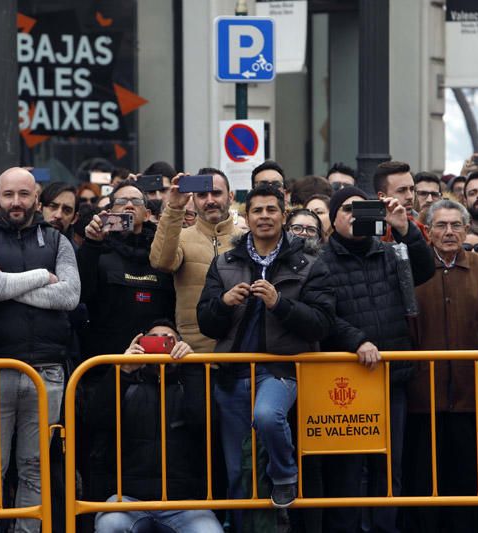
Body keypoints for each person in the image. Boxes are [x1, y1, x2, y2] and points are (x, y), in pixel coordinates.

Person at [197, 185, 336, 511]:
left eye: (271, 210)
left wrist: (279, 304)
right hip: (233, 373)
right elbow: (206, 323)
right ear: (246, 217)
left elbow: (322, 323)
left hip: (280, 369)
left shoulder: (310, 264)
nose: (264, 217)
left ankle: (285, 475)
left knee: (267, 416)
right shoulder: (224, 262)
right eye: (257, 211)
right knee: (237, 472)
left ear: (283, 216)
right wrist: (223, 304)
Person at [0, 167, 80, 533]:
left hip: (48, 370)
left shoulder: (58, 241)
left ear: (36, 197)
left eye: (24, 195)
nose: (16, 202)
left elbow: (70, 295)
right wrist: (42, 278)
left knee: (35, 467)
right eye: (9, 194)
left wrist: (7, 282)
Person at [317, 185, 435, 533]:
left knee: (389, 466)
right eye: (347, 210)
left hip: (390, 375)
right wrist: (357, 341)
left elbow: (424, 271)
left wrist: (404, 227)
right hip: (346, 378)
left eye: (362, 210)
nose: (355, 217)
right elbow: (323, 314)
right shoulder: (321, 261)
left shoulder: (389, 252)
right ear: (334, 218)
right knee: (349, 470)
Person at [405, 200, 478, 533]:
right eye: (441, 225)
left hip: (474, 393)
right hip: (421, 395)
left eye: (456, 225)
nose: (449, 232)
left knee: (469, 478)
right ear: (427, 231)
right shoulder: (412, 268)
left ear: (466, 228)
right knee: (424, 478)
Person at [91, 320, 223, 533]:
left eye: (169, 340)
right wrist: (123, 370)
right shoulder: (127, 382)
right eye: (153, 339)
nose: (161, 344)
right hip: (129, 499)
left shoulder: (189, 381)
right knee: (110, 525)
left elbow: (202, 422)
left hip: (183, 502)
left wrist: (190, 366)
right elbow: (96, 419)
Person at [78, 179, 175, 363]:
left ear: (147, 215)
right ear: (109, 212)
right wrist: (91, 243)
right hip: (106, 362)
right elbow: (81, 293)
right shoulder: (97, 249)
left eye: (136, 202)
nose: (129, 205)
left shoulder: (160, 254)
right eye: (122, 202)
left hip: (154, 362)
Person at [150, 168, 241, 353]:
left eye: (216, 193)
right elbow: (160, 262)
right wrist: (174, 208)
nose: (210, 200)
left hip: (240, 351)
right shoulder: (181, 237)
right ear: (193, 200)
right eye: (202, 195)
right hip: (192, 353)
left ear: (230, 196)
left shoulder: (248, 240)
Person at [374, 160, 429, 242]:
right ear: (382, 196)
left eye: (412, 189)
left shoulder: (426, 224)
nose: (410, 196)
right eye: (401, 190)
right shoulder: (371, 229)